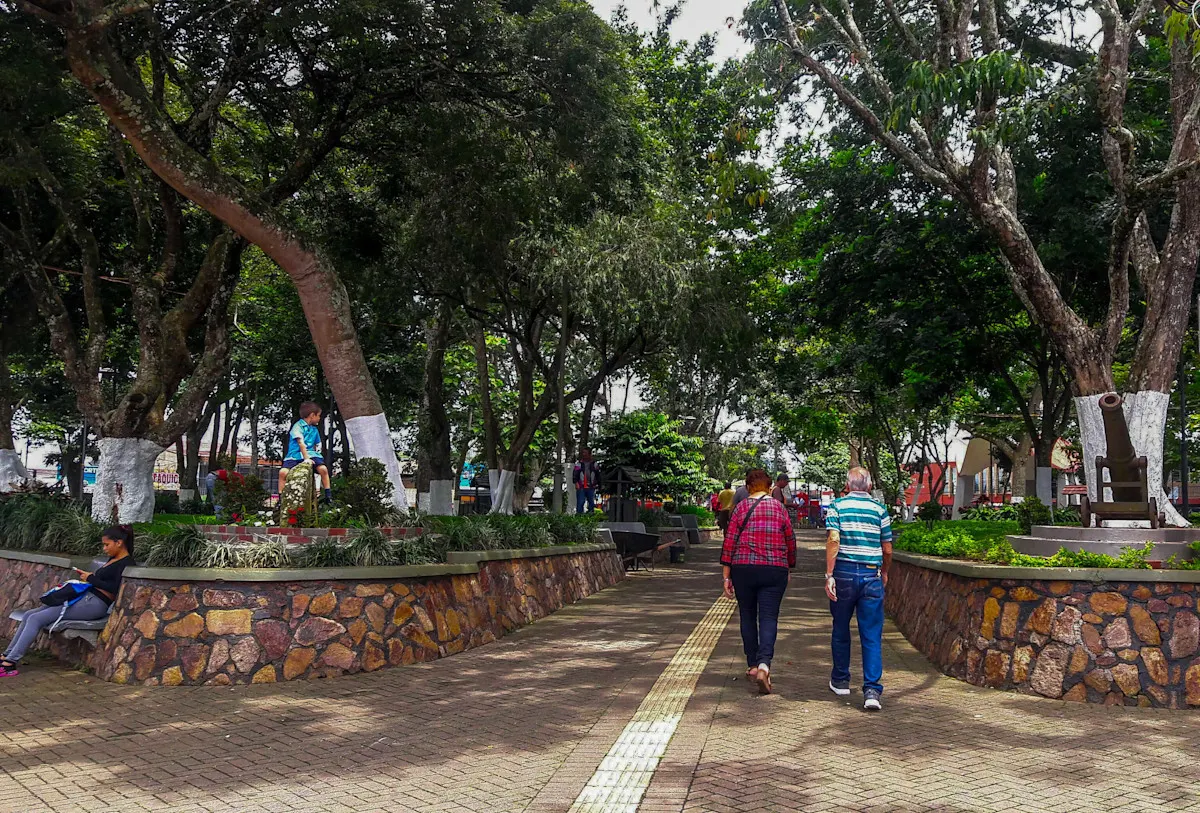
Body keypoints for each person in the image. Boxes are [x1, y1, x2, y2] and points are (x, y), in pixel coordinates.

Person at [1, 526, 135, 677]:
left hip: (95, 605)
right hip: (85, 599)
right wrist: (89, 578)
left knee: (36, 618)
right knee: (29, 615)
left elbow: (115, 588)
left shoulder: (126, 563)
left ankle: (10, 663)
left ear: (119, 543)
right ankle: (6, 655)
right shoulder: (114, 559)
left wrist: (91, 578)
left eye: (107, 544)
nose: (104, 549)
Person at [721, 468, 796, 694]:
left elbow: (729, 542)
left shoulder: (740, 508)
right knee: (769, 617)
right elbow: (790, 539)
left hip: (743, 569)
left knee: (747, 614)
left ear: (748, 486)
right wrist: (789, 565)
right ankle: (765, 664)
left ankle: (753, 665)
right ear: (769, 485)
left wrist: (726, 575)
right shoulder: (779, 508)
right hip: (774, 569)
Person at [824, 467, 893, 711]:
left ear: (848, 484)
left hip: (843, 574)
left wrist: (829, 574)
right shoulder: (879, 510)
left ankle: (841, 680)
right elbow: (887, 548)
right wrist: (884, 572)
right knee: (871, 634)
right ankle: (872, 690)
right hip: (871, 575)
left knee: (841, 628)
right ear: (870, 485)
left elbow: (834, 539)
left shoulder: (837, 507)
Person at [278, 401, 331, 505]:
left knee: (323, 469)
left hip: (311, 454)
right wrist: (306, 459)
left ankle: (328, 496)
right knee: (283, 473)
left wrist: (315, 458)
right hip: (295, 455)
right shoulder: (297, 426)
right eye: (318, 416)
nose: (319, 418)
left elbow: (315, 445)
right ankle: (281, 498)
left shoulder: (314, 430)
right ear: (312, 415)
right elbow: (301, 443)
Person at [573, 447, 601, 515]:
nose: (584, 454)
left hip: (591, 486)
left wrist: (599, 484)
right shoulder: (579, 463)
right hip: (581, 485)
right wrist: (576, 483)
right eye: (583, 453)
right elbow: (575, 474)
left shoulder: (594, 464)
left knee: (591, 502)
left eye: (585, 453)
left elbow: (598, 475)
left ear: (589, 454)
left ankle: (590, 517)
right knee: (580, 502)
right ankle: (579, 517)